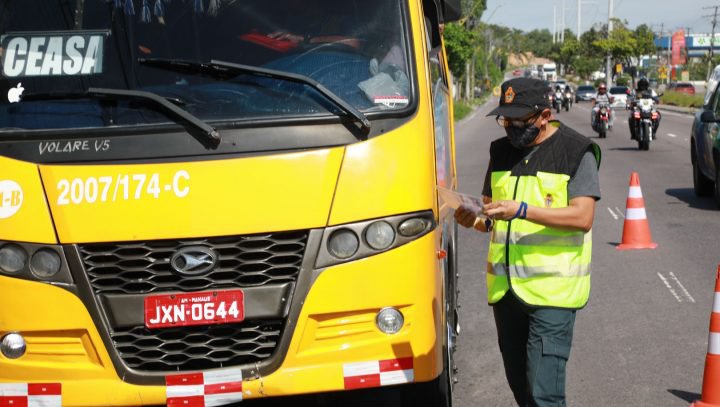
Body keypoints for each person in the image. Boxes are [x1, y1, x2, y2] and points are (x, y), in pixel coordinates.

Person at [454, 77, 601, 407]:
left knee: (543, 393)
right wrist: (473, 217)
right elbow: (491, 213)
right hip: (506, 292)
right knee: (521, 388)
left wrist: (521, 210)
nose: (512, 127)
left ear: (544, 115)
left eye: (520, 120)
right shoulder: (500, 151)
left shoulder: (576, 152)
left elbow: (582, 217)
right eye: (506, 120)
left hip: (553, 295)